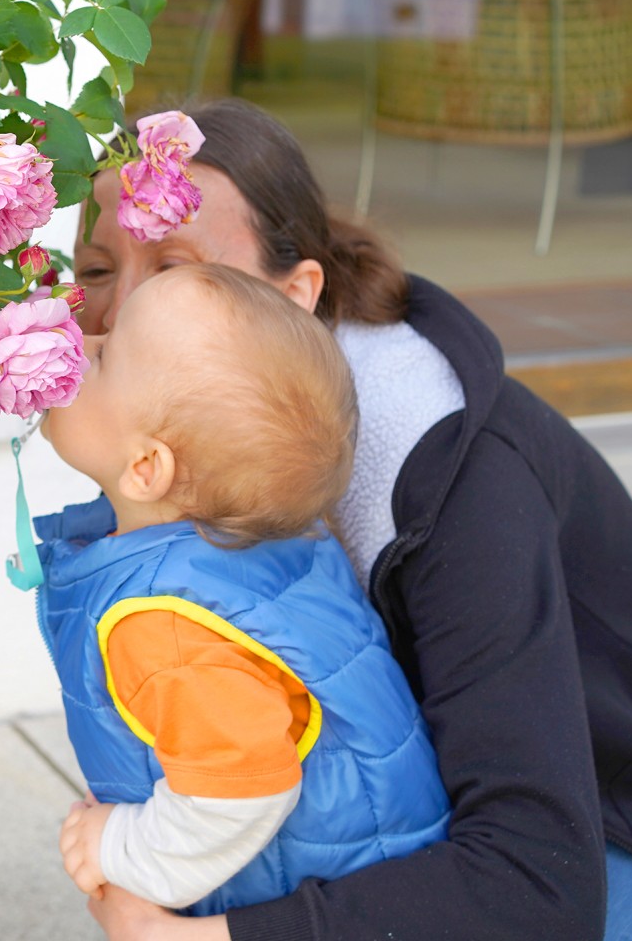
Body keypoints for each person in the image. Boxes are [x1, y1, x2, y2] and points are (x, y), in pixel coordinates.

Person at [71, 98, 632, 941]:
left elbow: (534, 887)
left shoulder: (454, 486)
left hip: (613, 827)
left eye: (178, 269)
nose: (116, 319)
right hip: (428, 815)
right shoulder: (179, 438)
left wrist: (202, 937)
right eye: (95, 272)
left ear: (297, 295)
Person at [34, 263, 451, 916]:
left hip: (311, 895)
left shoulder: (168, 627)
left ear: (147, 467)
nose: (78, 344)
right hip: (381, 879)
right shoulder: (271, 541)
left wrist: (118, 847)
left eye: (105, 355)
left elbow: (238, 792)